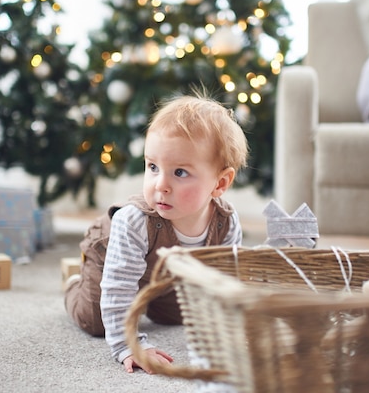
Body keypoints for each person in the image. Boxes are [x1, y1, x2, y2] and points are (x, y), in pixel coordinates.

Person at [63, 91, 249, 374]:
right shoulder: (134, 220)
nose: (160, 184)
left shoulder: (226, 222)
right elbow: (119, 287)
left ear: (220, 183)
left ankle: (150, 296)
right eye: (153, 167)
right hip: (111, 256)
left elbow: (223, 283)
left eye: (180, 173)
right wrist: (130, 346)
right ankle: (74, 283)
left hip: (163, 272)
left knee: (177, 316)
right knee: (96, 321)